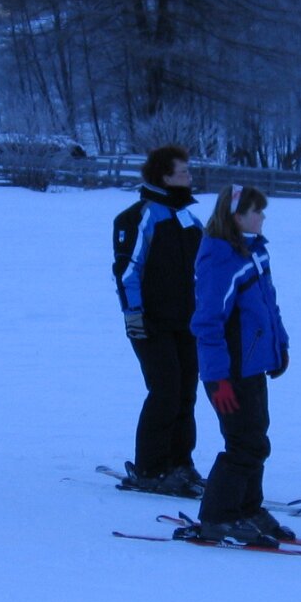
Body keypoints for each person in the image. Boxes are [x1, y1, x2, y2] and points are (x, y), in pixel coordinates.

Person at [188, 185, 291, 547]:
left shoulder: (254, 251)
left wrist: (280, 346)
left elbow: (268, 305)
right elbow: (208, 323)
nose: (262, 217)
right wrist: (217, 378)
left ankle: (248, 508)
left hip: (252, 365)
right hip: (229, 371)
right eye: (256, 211)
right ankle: (218, 517)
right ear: (236, 216)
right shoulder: (220, 258)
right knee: (243, 443)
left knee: (257, 439)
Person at [112, 145, 205, 494]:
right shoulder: (141, 217)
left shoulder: (188, 219)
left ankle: (180, 464)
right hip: (151, 323)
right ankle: (150, 469)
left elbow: (205, 268)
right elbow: (127, 272)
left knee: (186, 393)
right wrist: (134, 315)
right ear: (165, 177)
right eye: (184, 172)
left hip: (187, 323)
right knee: (165, 391)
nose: (190, 177)